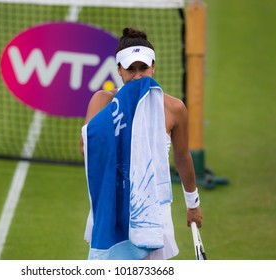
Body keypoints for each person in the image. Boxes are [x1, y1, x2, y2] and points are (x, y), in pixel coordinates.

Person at [80, 27, 203, 260]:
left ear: (153, 67)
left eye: (143, 68)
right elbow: (87, 148)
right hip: (113, 203)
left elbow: (182, 157)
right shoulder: (103, 101)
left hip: (152, 214)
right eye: (130, 69)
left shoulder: (174, 108)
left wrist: (193, 204)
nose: (137, 75)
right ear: (119, 70)